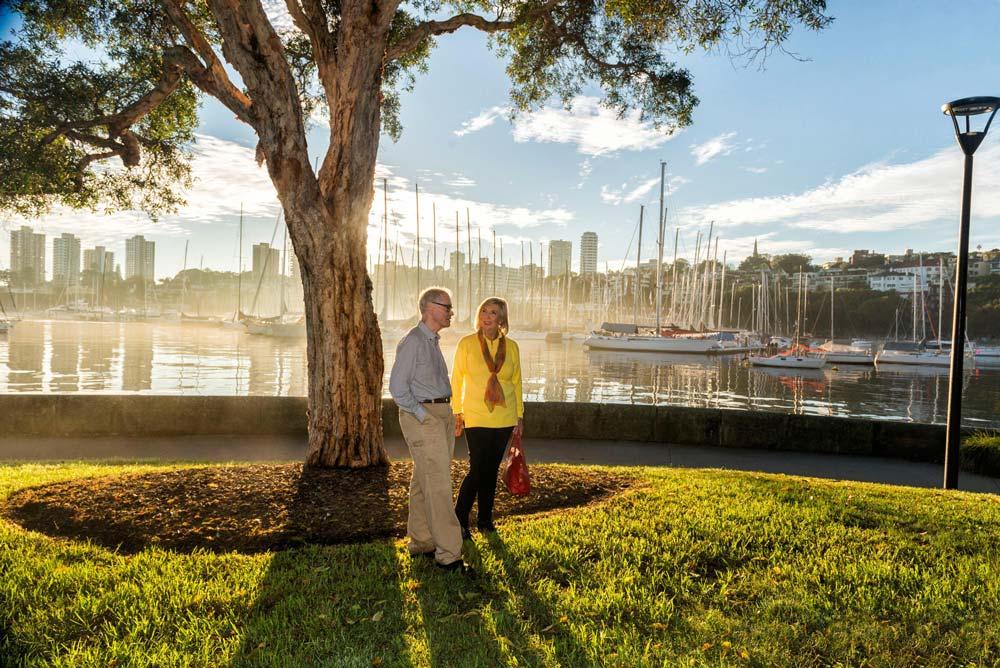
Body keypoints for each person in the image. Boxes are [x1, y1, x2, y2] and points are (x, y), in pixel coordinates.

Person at [389, 287, 468, 572]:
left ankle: (421, 541)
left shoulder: (432, 342)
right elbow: (397, 389)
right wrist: (425, 416)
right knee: (439, 484)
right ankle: (449, 555)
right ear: (430, 308)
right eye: (447, 307)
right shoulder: (413, 341)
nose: (451, 313)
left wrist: (446, 414)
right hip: (424, 414)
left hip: (439, 413)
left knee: (424, 481)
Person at [451, 297, 524, 539]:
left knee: (491, 470)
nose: (486, 316)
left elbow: (516, 382)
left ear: (501, 318)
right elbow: (457, 378)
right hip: (475, 414)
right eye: (483, 310)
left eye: (493, 312)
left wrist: (519, 415)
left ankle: (484, 520)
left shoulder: (511, 347)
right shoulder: (467, 343)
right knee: (478, 469)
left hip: (504, 416)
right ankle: (459, 519)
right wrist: (456, 411)